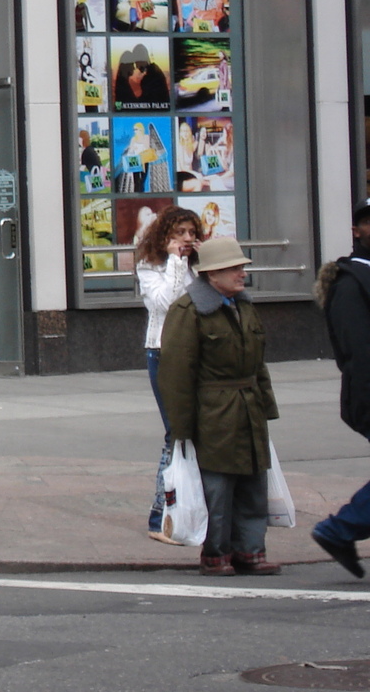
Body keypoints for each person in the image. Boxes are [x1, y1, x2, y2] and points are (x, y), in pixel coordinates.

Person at [159, 237, 282, 576]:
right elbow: (177, 373)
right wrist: (182, 429)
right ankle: (216, 554)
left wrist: (265, 406)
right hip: (213, 411)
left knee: (254, 483)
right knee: (218, 489)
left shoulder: (243, 306)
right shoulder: (188, 311)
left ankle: (250, 551)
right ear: (212, 274)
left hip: (248, 409)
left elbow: (257, 364)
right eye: (234, 268)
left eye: (241, 267)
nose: (242, 274)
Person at [310, 203, 370, 578]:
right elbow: (358, 352)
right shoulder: (350, 283)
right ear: (357, 230)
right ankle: (339, 529)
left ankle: (341, 529)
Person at [135, 206, 200, 545]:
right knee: (175, 433)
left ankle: (194, 510)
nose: (187, 240)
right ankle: (160, 516)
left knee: (199, 433)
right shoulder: (150, 266)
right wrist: (176, 263)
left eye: (192, 233)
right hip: (163, 353)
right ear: (165, 236)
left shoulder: (197, 266)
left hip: (197, 353)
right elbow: (166, 305)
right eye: (181, 233)